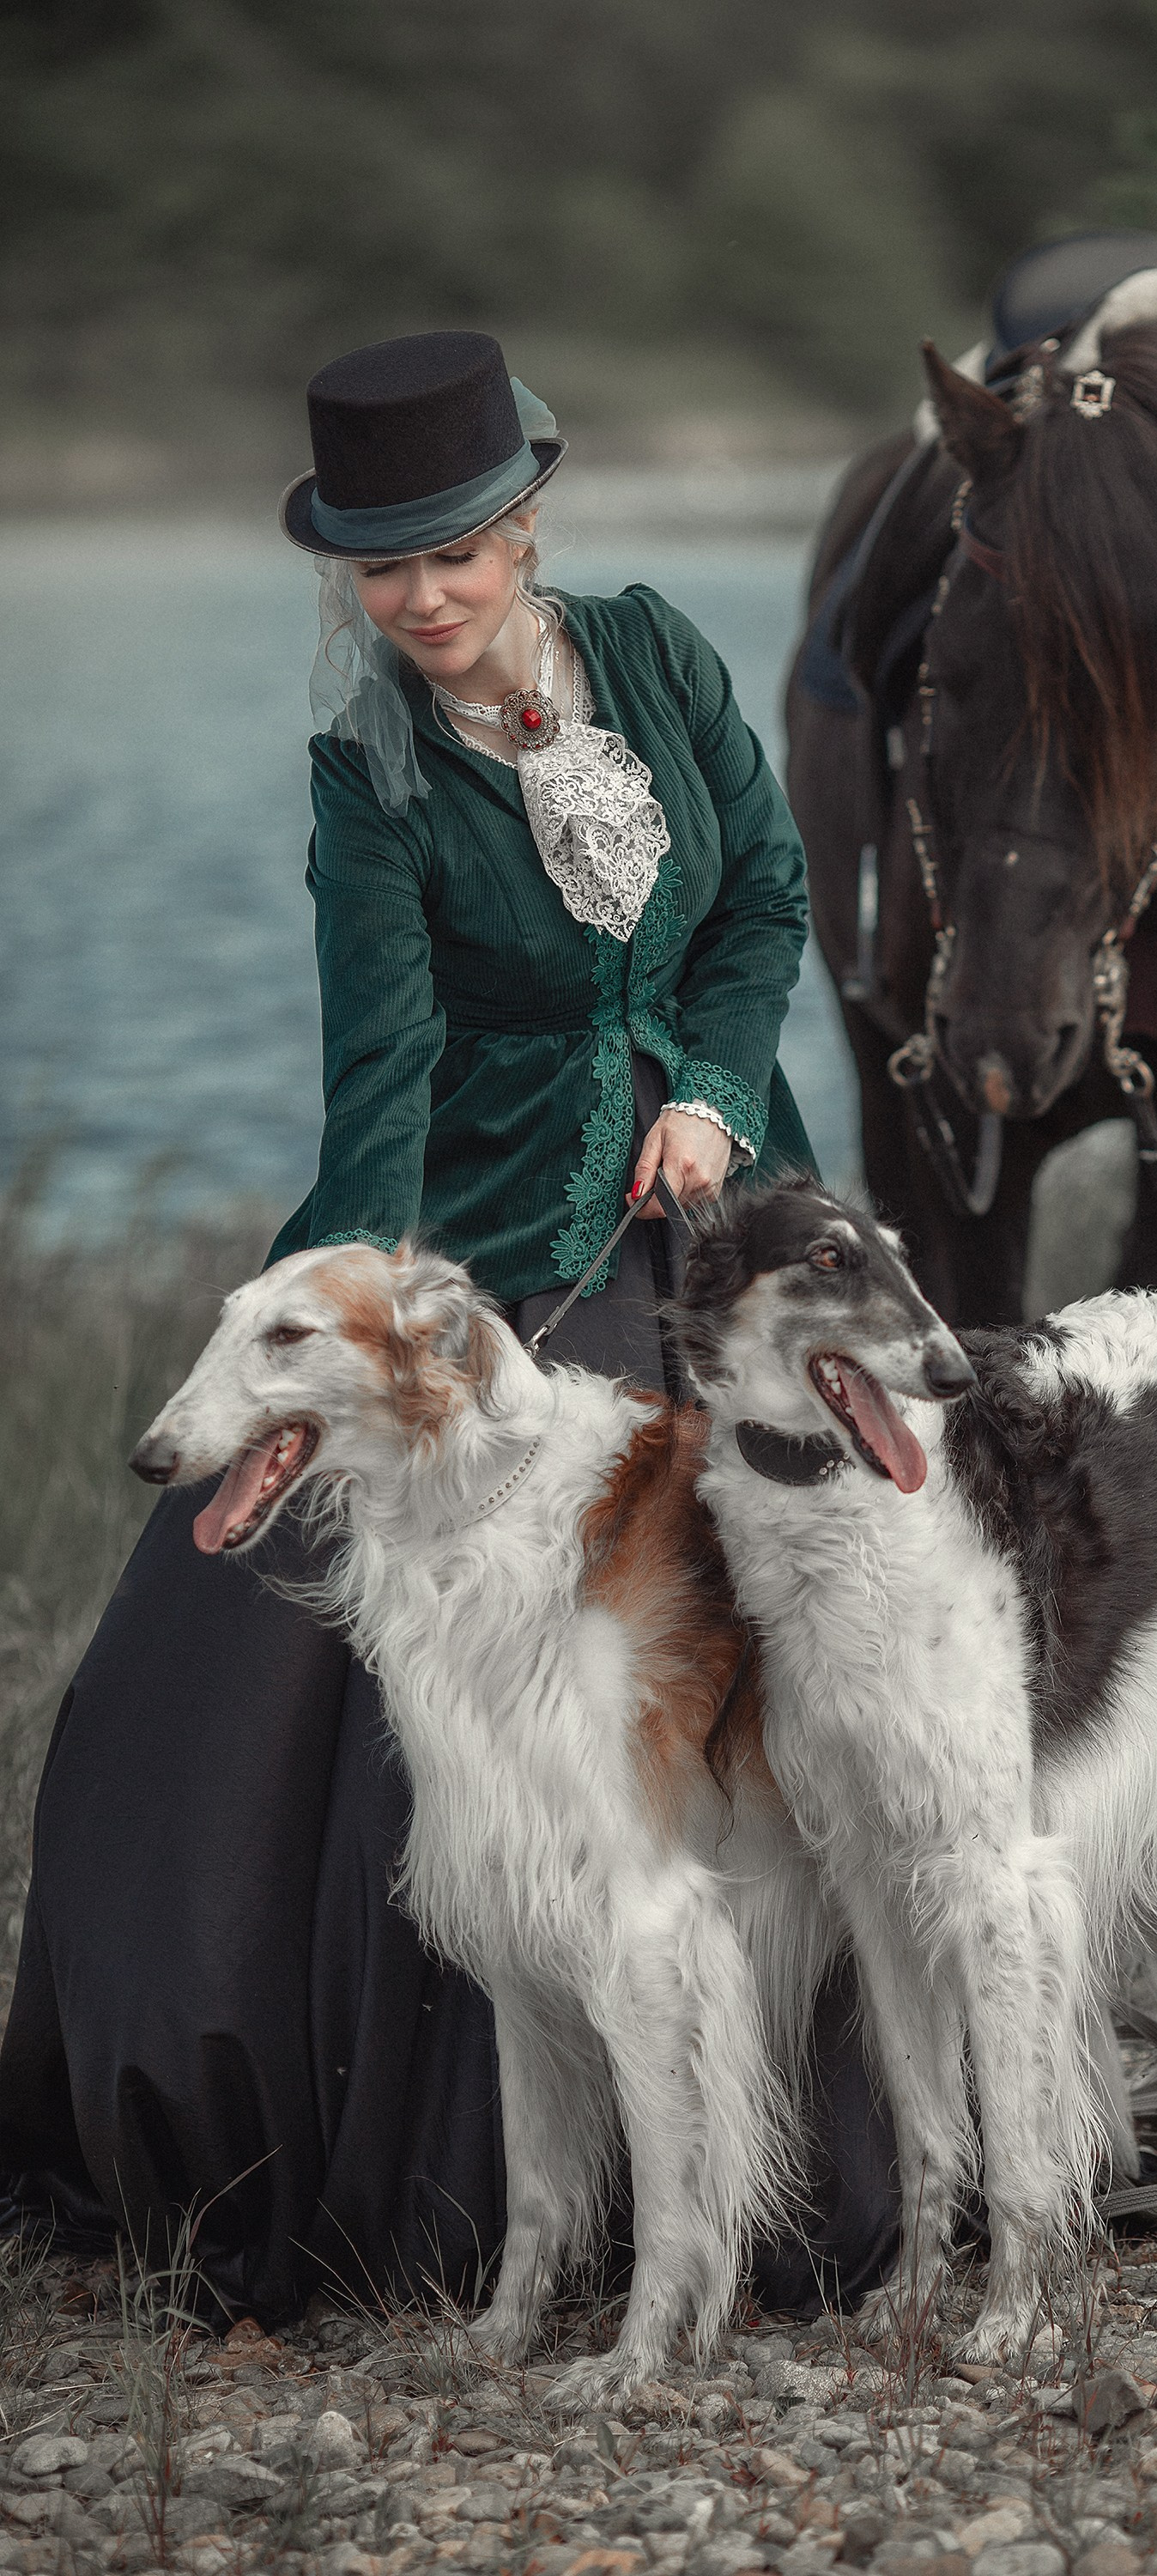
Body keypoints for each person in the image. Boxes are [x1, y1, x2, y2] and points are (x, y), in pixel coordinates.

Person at [0, 331, 896, 2324]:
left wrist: (717, 1093)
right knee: (260, 1679)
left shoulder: (655, 656)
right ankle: (438, 2176)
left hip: (728, 1186)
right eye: (379, 570)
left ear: (526, 523)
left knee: (845, 1599)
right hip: (481, 1233)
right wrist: (337, 1347)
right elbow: (378, 1081)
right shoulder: (366, 781)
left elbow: (759, 893)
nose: (417, 601)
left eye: (453, 556)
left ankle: (866, 2113)